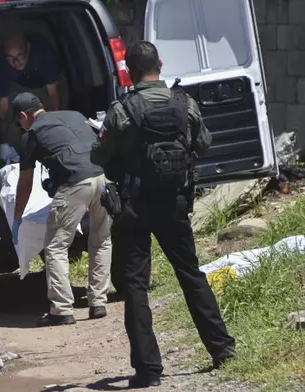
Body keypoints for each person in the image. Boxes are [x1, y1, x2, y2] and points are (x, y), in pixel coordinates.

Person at [90, 41, 236, 388]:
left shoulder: (122, 110)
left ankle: (148, 371)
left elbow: (99, 156)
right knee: (191, 275)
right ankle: (222, 349)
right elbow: (203, 143)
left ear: (128, 70)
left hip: (135, 207)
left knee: (136, 287)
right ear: (161, 63)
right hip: (174, 205)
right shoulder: (184, 103)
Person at [11, 92, 112, 327]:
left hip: (75, 184)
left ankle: (62, 309)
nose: (21, 127)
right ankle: (98, 302)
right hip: (103, 179)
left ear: (24, 116)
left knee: (56, 247)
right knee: (101, 240)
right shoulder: (76, 115)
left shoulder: (32, 135)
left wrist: (17, 219)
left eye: (19, 122)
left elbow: (25, 182)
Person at [0, 31, 63, 165]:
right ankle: (14, 155)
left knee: (45, 117)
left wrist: (50, 133)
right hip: (18, 86)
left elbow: (54, 96)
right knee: (13, 117)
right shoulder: (0, 64)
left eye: (19, 55)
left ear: (28, 48)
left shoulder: (44, 53)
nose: (16, 62)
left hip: (44, 85)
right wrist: (4, 143)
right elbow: (3, 109)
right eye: (10, 57)